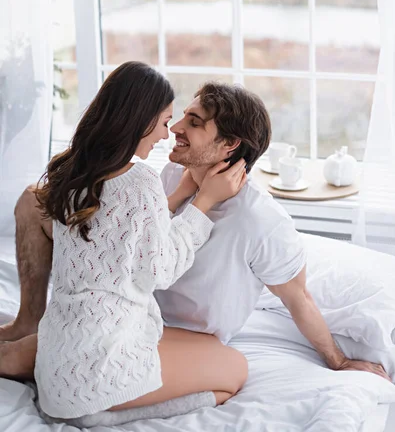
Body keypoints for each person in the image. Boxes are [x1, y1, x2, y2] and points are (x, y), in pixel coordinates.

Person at [0, 80, 389, 396]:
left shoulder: (261, 220)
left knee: (234, 371)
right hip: (126, 315)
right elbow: (134, 241)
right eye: (182, 115)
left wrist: (337, 360)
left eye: (194, 122)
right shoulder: (169, 178)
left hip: (179, 334)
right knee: (33, 203)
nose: (175, 129)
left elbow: (298, 297)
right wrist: (186, 198)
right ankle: (28, 320)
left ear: (230, 144)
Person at [0, 62, 248, 421]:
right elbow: (159, 270)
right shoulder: (140, 184)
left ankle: (84, 405)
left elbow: (121, 234)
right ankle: (101, 416)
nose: (167, 134)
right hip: (96, 374)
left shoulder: (72, 171)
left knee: (209, 350)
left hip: (58, 362)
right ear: (141, 119)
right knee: (236, 370)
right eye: (164, 122)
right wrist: (204, 204)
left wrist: (179, 195)